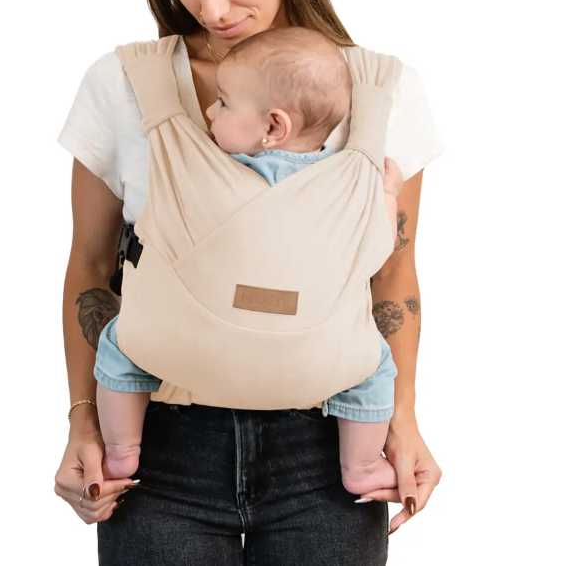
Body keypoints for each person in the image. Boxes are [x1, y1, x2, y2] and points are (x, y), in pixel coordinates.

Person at [54, 0, 443, 564]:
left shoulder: (378, 94)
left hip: (326, 447)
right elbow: (91, 267)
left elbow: (391, 274)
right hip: (158, 447)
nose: (212, 6)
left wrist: (402, 419)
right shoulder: (125, 85)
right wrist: (83, 421)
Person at [94, 26, 403, 500]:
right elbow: (377, 248)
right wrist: (388, 192)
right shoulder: (347, 182)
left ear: (273, 127)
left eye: (222, 103)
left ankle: (122, 450)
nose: (209, 112)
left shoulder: (192, 167)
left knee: (122, 342)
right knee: (374, 365)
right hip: (320, 368)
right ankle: (361, 465)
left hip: (178, 356)